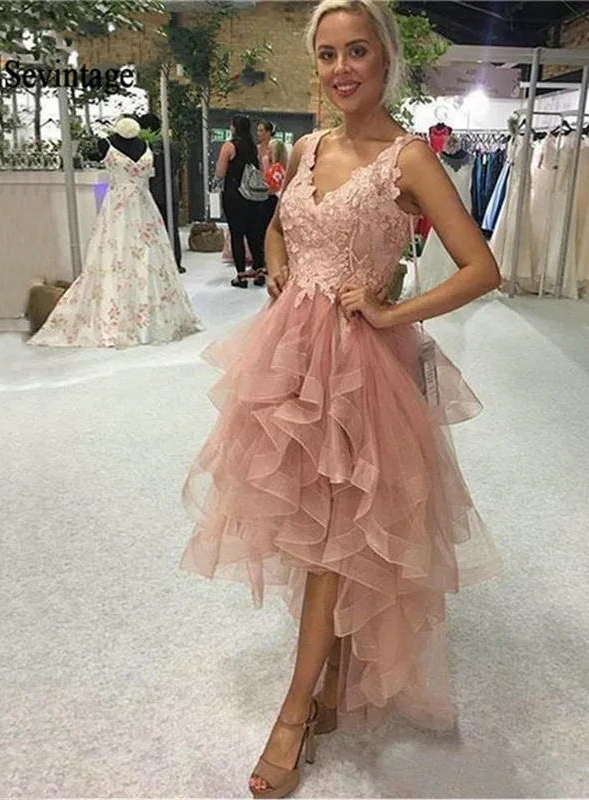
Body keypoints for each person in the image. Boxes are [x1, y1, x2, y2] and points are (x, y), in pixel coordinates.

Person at [179, 1, 502, 797]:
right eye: (327, 54)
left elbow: (481, 268)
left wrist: (392, 312)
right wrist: (279, 258)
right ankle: (325, 682)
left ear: (386, 57)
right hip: (290, 358)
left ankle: (294, 713)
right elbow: (285, 223)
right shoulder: (307, 146)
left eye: (357, 51)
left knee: (333, 536)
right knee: (311, 524)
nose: (341, 69)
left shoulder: (408, 160)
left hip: (361, 366)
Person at [29, 115, 201, 349]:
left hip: (140, 208)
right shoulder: (109, 144)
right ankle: (125, 315)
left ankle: (147, 315)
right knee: (118, 254)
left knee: (146, 257)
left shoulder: (142, 145)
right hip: (124, 209)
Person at [216, 114, 267, 288]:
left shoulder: (229, 146)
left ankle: (241, 276)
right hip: (253, 195)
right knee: (254, 234)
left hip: (235, 195)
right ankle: (259, 271)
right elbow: (260, 170)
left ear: (234, 127)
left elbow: (220, 172)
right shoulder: (254, 148)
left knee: (237, 234)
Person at [139, 112, 185, 274]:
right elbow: (177, 166)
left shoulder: (149, 146)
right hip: (171, 191)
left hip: (154, 192)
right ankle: (175, 263)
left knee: (155, 230)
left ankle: (160, 264)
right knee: (172, 229)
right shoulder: (171, 144)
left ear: (147, 129)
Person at [256, 120, 289, 232]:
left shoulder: (276, 150)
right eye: (258, 130)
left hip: (271, 192)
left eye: (261, 130)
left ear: (268, 132)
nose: (258, 133)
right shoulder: (257, 149)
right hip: (264, 188)